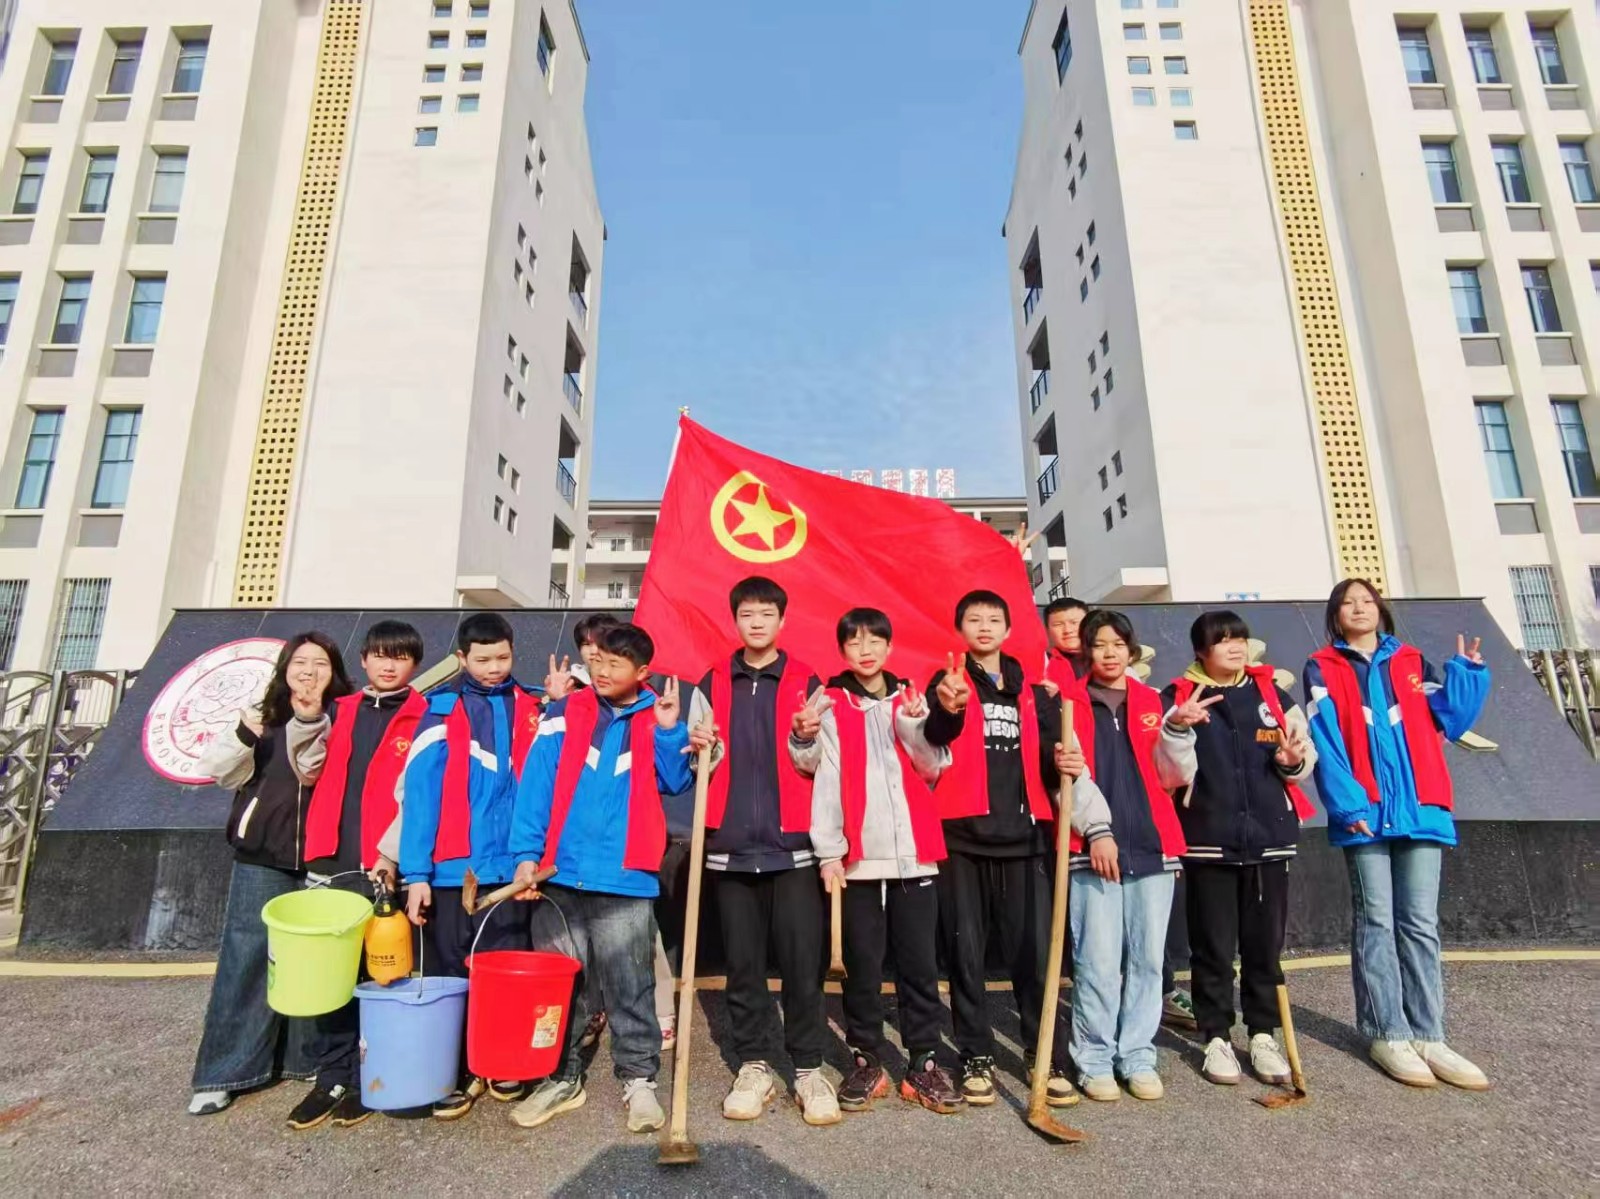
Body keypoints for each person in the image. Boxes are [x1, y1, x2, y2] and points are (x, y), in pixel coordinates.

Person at [505, 623, 712, 1132]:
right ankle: (560, 1075)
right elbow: (535, 787)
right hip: (559, 873)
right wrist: (526, 855)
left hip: (624, 875)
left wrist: (669, 731)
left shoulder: (656, 718)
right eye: (597, 661)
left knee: (630, 983)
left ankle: (638, 1080)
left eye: (615, 664)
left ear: (642, 672)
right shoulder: (562, 713)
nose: (600, 671)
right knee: (560, 986)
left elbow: (675, 781)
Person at [1303, 579, 1491, 1090]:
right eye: (1348, 603)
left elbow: (1450, 720)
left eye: (1366, 600)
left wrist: (1468, 675)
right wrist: (1347, 803)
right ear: (1336, 616)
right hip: (1364, 813)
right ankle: (1387, 1031)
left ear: (1380, 609)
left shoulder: (1411, 661)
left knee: (1420, 923)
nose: (1359, 608)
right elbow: (1325, 735)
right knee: (1377, 921)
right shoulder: (1323, 666)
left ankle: (1430, 1034)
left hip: (1422, 809)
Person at [793, 607, 962, 1115]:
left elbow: (932, 769)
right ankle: (866, 1059)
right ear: (841, 650)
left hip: (914, 855)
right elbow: (818, 776)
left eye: (874, 641)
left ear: (890, 647)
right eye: (853, 642)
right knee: (861, 966)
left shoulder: (911, 698)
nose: (864, 650)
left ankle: (924, 1063)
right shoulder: (831, 702)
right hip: (858, 860)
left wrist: (918, 725)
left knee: (919, 965)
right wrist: (828, 853)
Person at [685, 576, 839, 1126]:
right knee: (743, 967)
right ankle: (753, 1065)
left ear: (782, 620)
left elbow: (817, 766)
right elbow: (701, 763)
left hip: (792, 847)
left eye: (766, 613)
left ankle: (808, 1067)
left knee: (803, 966)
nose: (756, 622)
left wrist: (804, 736)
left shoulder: (806, 682)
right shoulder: (710, 681)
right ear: (735, 620)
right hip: (730, 848)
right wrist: (703, 746)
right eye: (747, 613)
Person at [187, 633, 354, 1116]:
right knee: (246, 957)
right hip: (263, 855)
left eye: (320, 663)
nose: (308, 670)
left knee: (318, 964)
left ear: (335, 672)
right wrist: (245, 734)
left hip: (325, 857)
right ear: (284, 669)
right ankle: (225, 1072)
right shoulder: (261, 718)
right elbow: (217, 771)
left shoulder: (345, 718)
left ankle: (304, 1062)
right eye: (299, 661)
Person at [923, 590, 1076, 1108]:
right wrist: (945, 708)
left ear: (1009, 630)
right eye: (974, 619)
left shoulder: (1036, 690)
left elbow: (1054, 762)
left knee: (1033, 955)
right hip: (962, 838)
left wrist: (1066, 763)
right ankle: (975, 1056)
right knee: (965, 954)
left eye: (994, 620)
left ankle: (1046, 1053)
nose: (984, 627)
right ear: (959, 627)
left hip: (1026, 837)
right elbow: (934, 736)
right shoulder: (948, 680)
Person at [1154, 611, 1317, 1088]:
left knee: (1265, 947)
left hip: (1269, 838)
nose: (1234, 648)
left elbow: (1302, 755)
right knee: (1212, 947)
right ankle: (1216, 1035)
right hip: (1207, 839)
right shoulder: (1179, 697)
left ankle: (1263, 1033)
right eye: (1222, 641)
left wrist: (1293, 762)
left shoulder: (1271, 695)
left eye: (1240, 639)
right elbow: (1168, 774)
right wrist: (1180, 729)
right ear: (1200, 651)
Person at [282, 620, 427, 1129]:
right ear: (362, 660)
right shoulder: (337, 711)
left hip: (384, 865)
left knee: (382, 973)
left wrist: (390, 856)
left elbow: (418, 798)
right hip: (330, 858)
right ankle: (333, 1075)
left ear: (416, 665)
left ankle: (377, 1075)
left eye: (401, 657)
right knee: (332, 976)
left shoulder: (425, 716)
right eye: (379, 656)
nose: (389, 665)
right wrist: (303, 720)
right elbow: (308, 770)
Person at [400, 611, 543, 1118]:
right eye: (482, 659)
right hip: (449, 870)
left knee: (503, 970)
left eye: (502, 657)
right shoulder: (438, 710)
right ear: (460, 658)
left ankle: (499, 1062)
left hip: (512, 871)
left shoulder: (536, 707)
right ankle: (452, 1071)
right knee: (447, 974)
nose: (493, 668)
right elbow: (418, 799)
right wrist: (415, 875)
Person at [1066, 609, 1187, 1103]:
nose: (1110, 653)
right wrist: (1096, 832)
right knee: (1095, 961)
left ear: (1131, 649)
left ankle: (1137, 1055)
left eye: (1118, 644)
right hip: (1090, 849)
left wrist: (1179, 734)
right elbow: (1069, 779)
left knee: (1147, 962)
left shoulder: (1152, 702)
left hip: (1154, 847)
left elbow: (1173, 778)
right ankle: (1093, 1058)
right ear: (1086, 651)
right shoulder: (1067, 704)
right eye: (1099, 644)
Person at [1043, 595, 1090, 692]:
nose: (1067, 630)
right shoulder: (1042, 665)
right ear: (1047, 630)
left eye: (1074, 623)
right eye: (1058, 625)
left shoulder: (1109, 660)